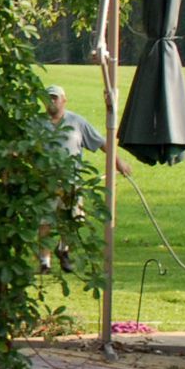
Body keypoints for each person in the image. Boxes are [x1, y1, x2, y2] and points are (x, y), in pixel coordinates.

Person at [42, 85, 128, 272]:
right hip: (45, 182)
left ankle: (63, 250)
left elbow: (102, 142)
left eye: (55, 98)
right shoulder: (37, 123)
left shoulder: (77, 122)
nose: (52, 101)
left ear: (64, 100)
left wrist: (118, 162)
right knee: (44, 221)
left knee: (73, 220)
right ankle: (44, 263)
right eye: (48, 98)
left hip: (71, 181)